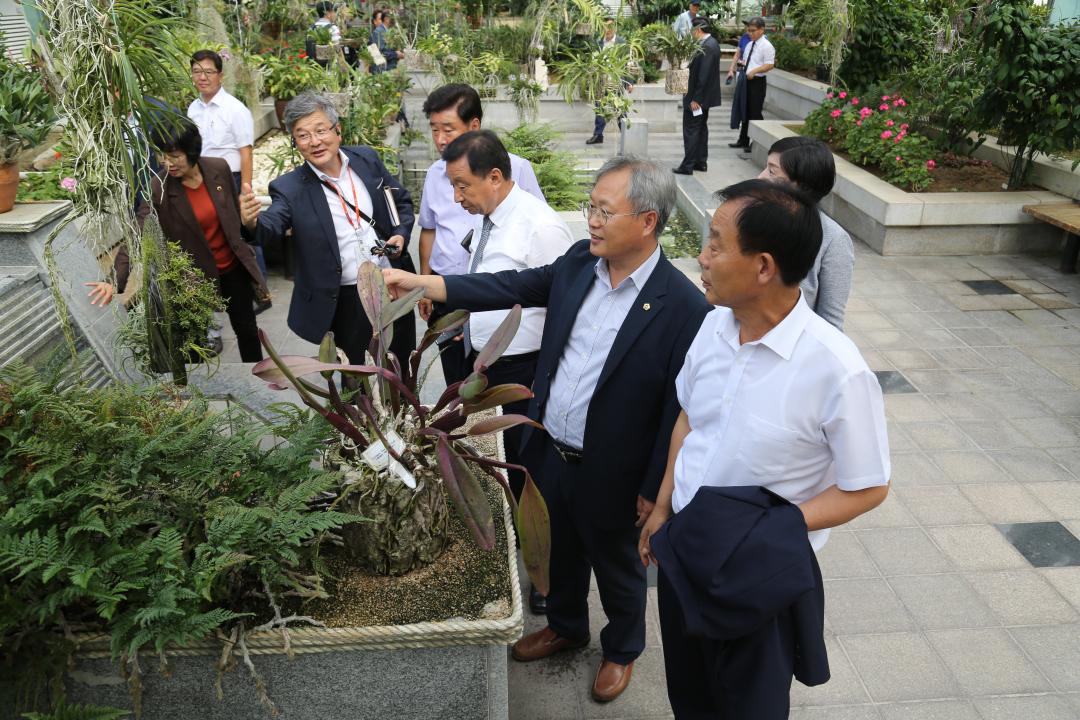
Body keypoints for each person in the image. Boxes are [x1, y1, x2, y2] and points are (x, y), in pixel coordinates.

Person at [384, 156, 712, 704]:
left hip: (616, 469)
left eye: (606, 211)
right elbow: (511, 284)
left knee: (616, 564)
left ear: (648, 221)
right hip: (551, 450)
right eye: (592, 207)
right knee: (556, 548)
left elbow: (676, 411)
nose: (593, 221)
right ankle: (565, 625)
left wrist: (655, 490)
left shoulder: (683, 307)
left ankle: (622, 648)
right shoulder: (580, 262)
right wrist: (426, 285)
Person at [638, 180, 890, 719]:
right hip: (685, 548)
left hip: (757, 571)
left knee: (749, 705)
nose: (702, 257)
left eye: (716, 243)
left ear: (763, 267)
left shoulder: (836, 370)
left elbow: (869, 485)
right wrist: (662, 509)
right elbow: (689, 419)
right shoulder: (711, 329)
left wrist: (776, 527)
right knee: (689, 691)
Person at [439, 129, 573, 505]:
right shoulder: (490, 215)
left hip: (521, 374)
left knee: (519, 465)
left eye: (463, 186)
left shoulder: (541, 228)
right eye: (453, 186)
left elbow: (560, 310)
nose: (457, 197)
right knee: (491, 460)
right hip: (482, 364)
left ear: (495, 177)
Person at [237, 91, 416, 366]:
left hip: (391, 285)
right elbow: (271, 225)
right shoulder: (290, 188)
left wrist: (401, 234)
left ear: (338, 130)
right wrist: (252, 223)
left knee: (401, 365)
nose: (315, 141)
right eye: (303, 135)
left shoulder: (367, 160)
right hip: (346, 301)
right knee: (356, 381)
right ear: (295, 142)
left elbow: (401, 202)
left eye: (321, 130)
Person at [86, 120, 266, 363]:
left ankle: (256, 380)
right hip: (194, 279)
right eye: (162, 155)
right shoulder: (158, 188)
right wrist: (112, 280)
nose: (166, 163)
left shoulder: (218, 168)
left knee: (247, 332)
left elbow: (234, 215)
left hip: (233, 268)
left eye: (174, 156)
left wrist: (248, 223)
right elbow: (138, 233)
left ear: (192, 152)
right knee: (194, 345)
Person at [418, 84, 545, 387]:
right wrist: (425, 283)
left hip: (497, 295)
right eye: (434, 130)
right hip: (446, 289)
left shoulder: (517, 169)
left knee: (490, 379)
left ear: (474, 125)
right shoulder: (435, 173)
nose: (440, 140)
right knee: (455, 378)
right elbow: (429, 228)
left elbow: (537, 228)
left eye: (448, 129)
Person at [187, 49, 271, 315]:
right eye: (197, 71)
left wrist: (244, 190)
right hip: (203, 180)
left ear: (220, 75)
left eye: (208, 72)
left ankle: (262, 289)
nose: (203, 77)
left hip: (230, 179)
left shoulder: (235, 109)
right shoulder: (193, 108)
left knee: (242, 234)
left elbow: (246, 152)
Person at [759, 136, 854, 329]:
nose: (761, 177)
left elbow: (831, 322)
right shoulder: (755, 220)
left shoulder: (833, 240)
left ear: (802, 185)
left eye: (771, 171)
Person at [673, 18, 722, 175]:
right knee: (700, 129)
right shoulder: (711, 43)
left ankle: (688, 165)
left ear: (698, 30)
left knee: (691, 130)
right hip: (703, 98)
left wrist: (696, 99)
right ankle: (700, 162)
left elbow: (704, 75)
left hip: (698, 98)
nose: (691, 34)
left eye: (692, 31)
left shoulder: (708, 46)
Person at [585, 20, 634, 146]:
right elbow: (593, 60)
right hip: (601, 81)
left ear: (615, 29)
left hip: (616, 80)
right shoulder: (599, 42)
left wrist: (629, 82)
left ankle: (626, 134)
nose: (607, 31)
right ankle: (598, 135)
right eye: (605, 28)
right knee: (599, 107)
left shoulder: (621, 42)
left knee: (619, 108)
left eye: (610, 28)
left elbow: (628, 63)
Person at [730, 17, 775, 151]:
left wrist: (755, 71)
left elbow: (769, 64)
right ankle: (743, 140)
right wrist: (740, 67)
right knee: (744, 109)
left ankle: (755, 143)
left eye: (753, 30)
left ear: (762, 30)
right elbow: (745, 60)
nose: (750, 33)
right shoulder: (750, 44)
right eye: (749, 30)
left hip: (757, 82)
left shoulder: (767, 46)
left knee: (755, 113)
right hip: (745, 80)